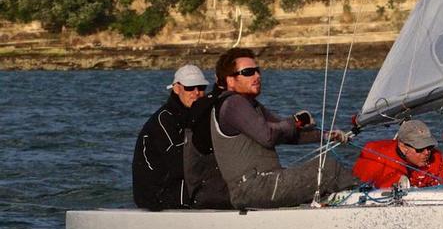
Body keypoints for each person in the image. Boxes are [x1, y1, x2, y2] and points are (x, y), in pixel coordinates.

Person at [210, 48, 357, 209]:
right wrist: (295, 121)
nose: (257, 76)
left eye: (257, 71)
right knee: (328, 169)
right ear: (230, 80)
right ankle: (366, 204)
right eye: (248, 72)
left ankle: (352, 202)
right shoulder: (233, 104)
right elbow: (268, 136)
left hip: (266, 184)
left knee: (325, 175)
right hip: (251, 189)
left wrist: (327, 135)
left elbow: (287, 133)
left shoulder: (252, 106)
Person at [132, 64, 210, 210]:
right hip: (157, 198)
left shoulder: (197, 115)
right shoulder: (164, 119)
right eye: (189, 88)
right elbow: (178, 162)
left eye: (201, 87)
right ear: (176, 88)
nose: (196, 92)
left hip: (177, 190)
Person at [353, 120, 443, 189]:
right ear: (403, 147)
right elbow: (355, 191)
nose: (427, 152)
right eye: (420, 148)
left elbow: (442, 190)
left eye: (429, 146)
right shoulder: (375, 157)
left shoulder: (436, 158)